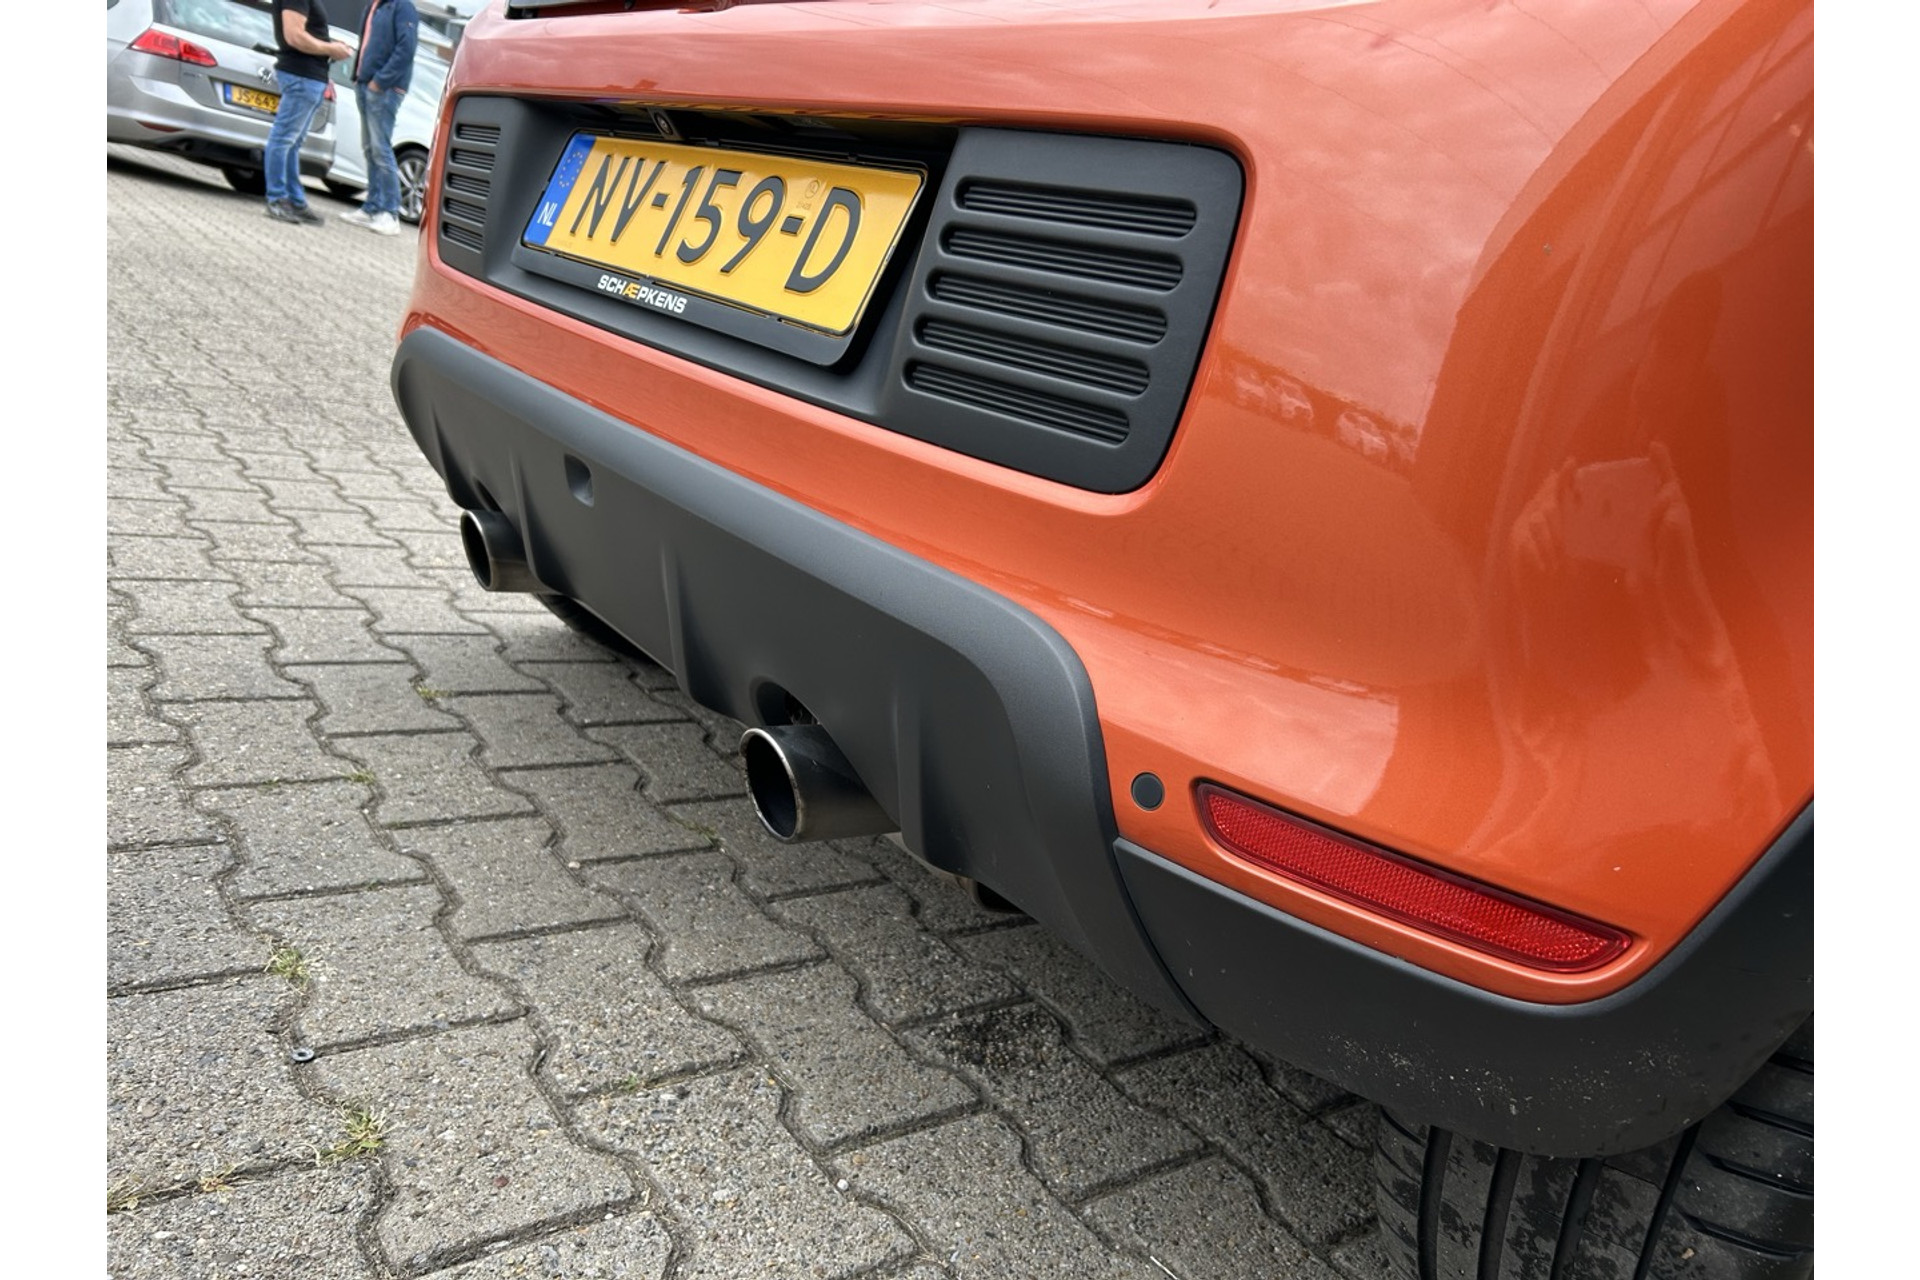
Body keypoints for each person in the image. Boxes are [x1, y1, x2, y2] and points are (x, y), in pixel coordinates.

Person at [264, 0, 351, 225]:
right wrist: (331, 49)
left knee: (292, 143)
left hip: (309, 76)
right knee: (283, 139)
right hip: (301, 75)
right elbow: (294, 36)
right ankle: (277, 199)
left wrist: (330, 45)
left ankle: (295, 200)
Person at [342, 0, 421, 237]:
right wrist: (358, 77)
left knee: (381, 149)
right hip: (365, 83)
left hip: (384, 89)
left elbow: (406, 48)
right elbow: (365, 44)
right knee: (370, 148)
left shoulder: (402, 6)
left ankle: (390, 212)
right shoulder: (374, 6)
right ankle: (372, 207)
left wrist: (380, 80)